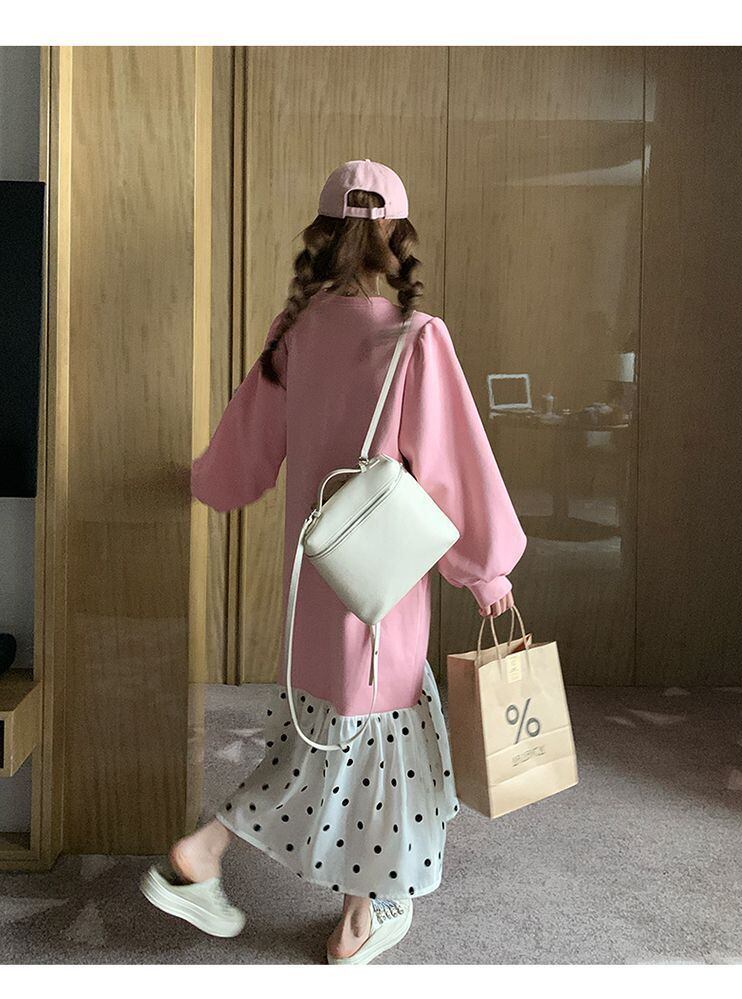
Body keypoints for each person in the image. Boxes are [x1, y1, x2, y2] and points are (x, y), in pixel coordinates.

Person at [140, 159, 527, 964]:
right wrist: (486, 568)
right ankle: (320, 902)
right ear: (397, 235)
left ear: (322, 233)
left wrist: (200, 479)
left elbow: (242, 456)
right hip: (381, 589)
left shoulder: (296, 334)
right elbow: (453, 468)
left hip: (311, 584)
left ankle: (322, 893)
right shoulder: (416, 339)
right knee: (374, 737)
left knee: (332, 735)